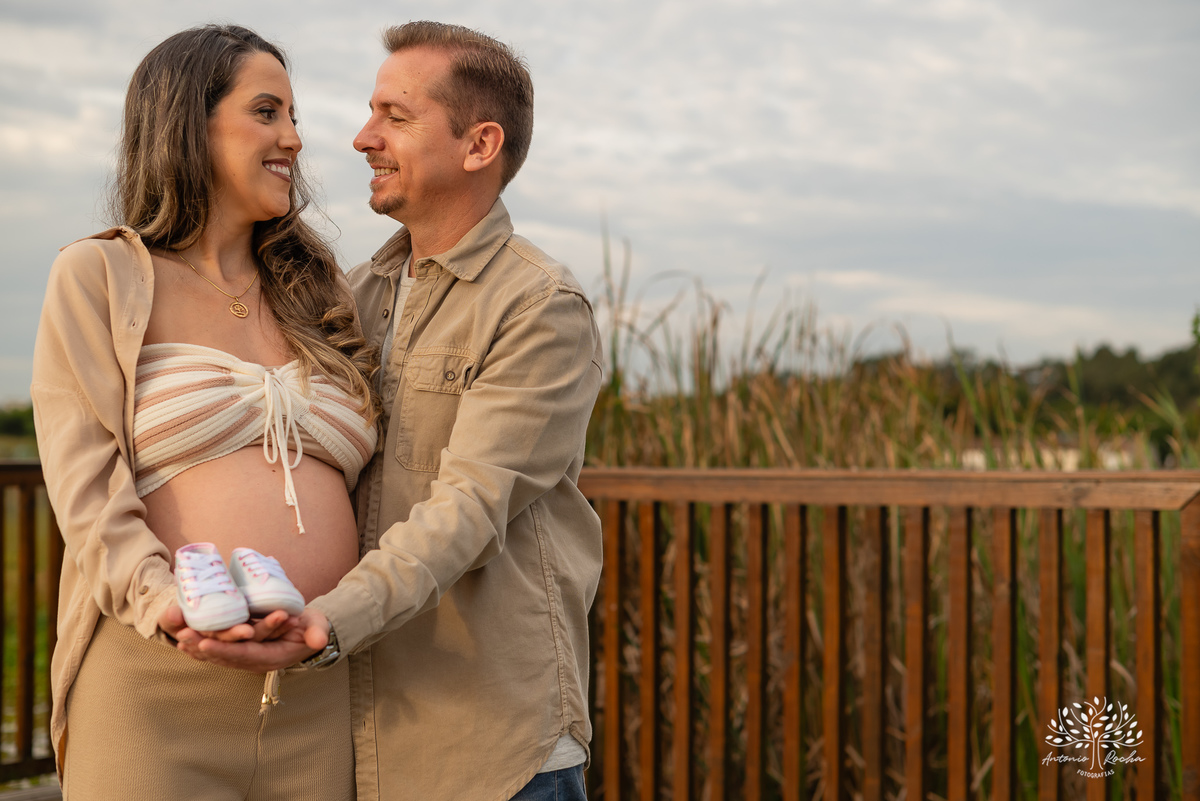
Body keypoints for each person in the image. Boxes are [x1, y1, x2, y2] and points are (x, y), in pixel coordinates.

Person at [182, 21, 605, 800]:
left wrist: (325, 621)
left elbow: (470, 508)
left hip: (490, 749)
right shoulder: (355, 295)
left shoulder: (541, 306)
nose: (359, 138)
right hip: (353, 735)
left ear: (480, 145)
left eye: (394, 117)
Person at [30, 24, 377, 800]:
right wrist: (166, 606)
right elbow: (85, 485)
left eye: (293, 115)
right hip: (158, 686)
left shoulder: (323, 293)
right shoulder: (102, 276)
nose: (293, 137)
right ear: (190, 122)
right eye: (267, 111)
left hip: (318, 693)